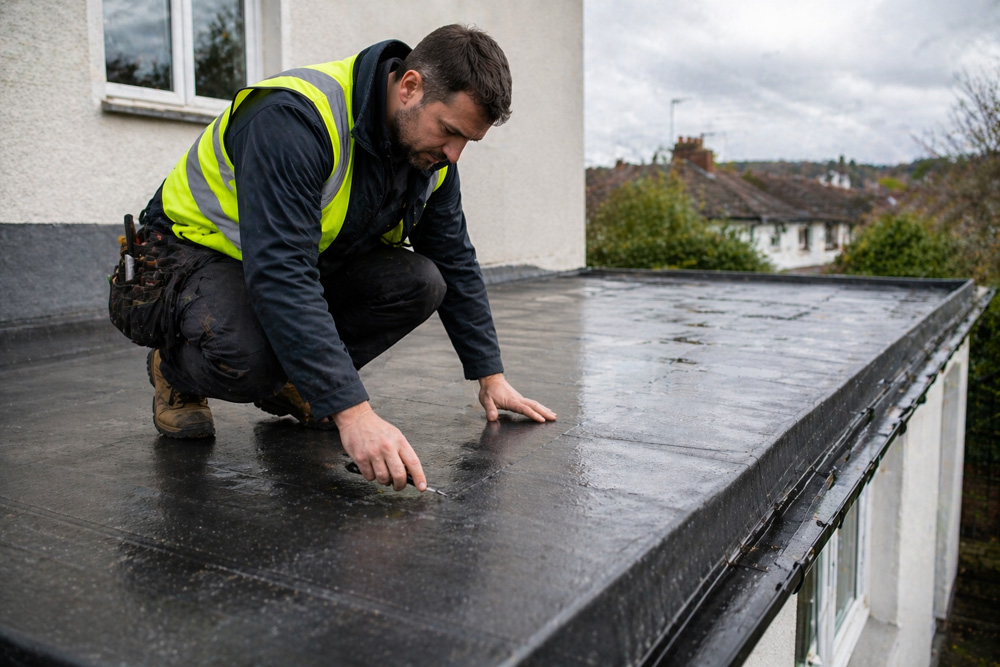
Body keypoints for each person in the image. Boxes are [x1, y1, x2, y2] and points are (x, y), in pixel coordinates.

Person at [133, 24, 556, 493]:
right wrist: (353, 411)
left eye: (467, 143)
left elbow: (454, 258)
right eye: (451, 132)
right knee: (246, 356)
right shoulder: (293, 119)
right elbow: (281, 273)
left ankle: (297, 378)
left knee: (423, 281)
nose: (454, 155)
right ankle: (173, 369)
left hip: (285, 264)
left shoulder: (427, 156)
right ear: (410, 86)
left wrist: (490, 375)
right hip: (189, 254)